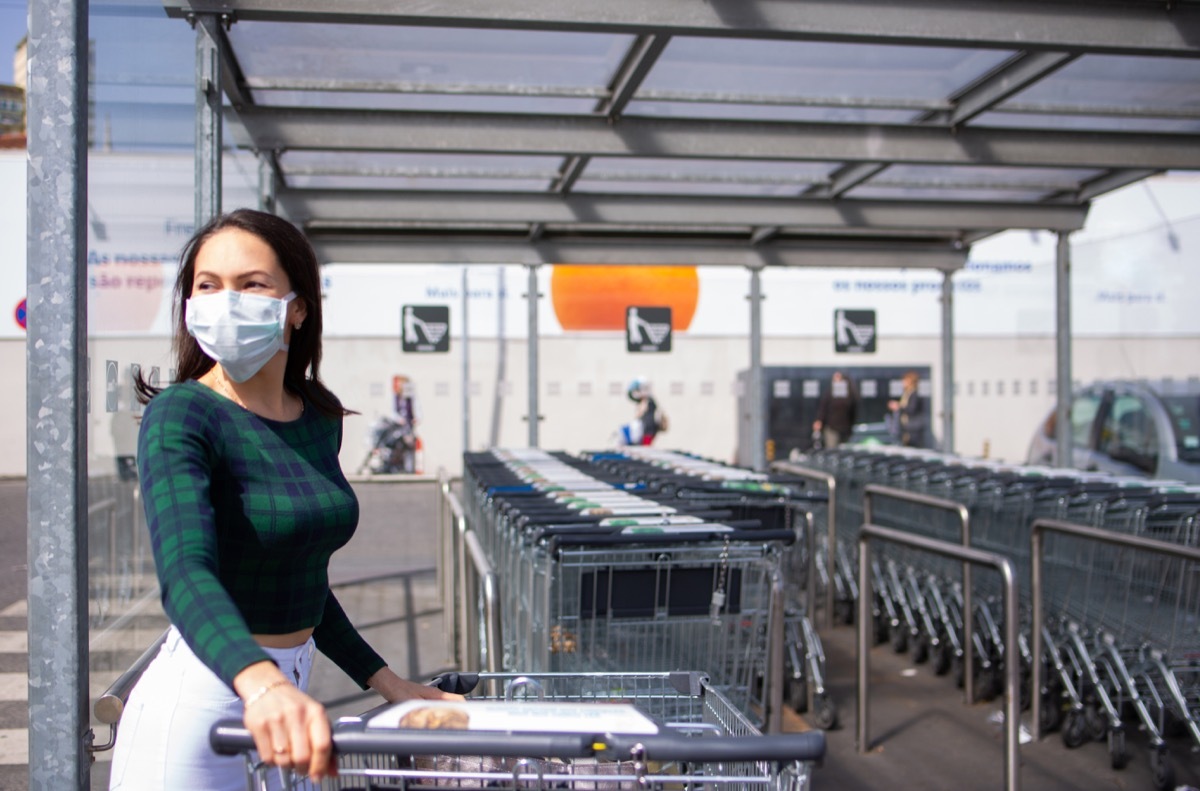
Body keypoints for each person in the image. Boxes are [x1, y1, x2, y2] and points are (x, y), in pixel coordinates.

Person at [110, 209, 458, 790]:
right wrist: (262, 682)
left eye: (251, 284)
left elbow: (305, 585)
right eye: (208, 285)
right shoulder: (182, 414)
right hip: (209, 693)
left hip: (285, 695)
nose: (226, 301)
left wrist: (388, 682)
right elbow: (186, 574)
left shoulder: (317, 418)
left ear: (297, 306)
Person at [812, 370, 858, 449]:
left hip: (845, 428)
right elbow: (823, 408)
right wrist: (819, 420)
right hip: (831, 427)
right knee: (832, 448)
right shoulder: (829, 393)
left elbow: (853, 411)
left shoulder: (850, 394)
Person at [888, 370, 928, 448]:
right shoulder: (907, 394)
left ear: (910, 381)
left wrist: (898, 407)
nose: (903, 383)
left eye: (905, 380)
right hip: (908, 428)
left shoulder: (914, 394)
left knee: (913, 448)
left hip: (913, 429)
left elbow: (911, 409)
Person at [621, 377, 663, 446]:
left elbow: (640, 414)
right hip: (648, 430)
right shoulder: (648, 401)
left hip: (648, 430)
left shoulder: (648, 401)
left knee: (645, 447)